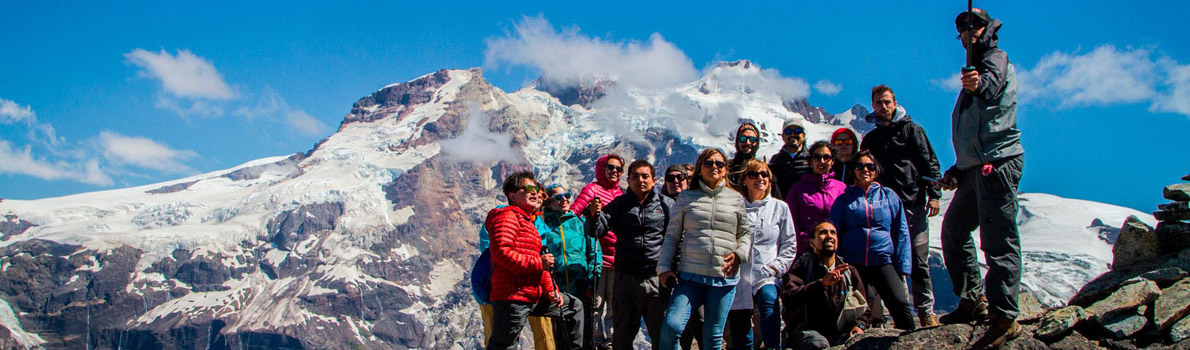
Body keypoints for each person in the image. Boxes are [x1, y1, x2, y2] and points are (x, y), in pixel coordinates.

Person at [938, 7, 1025, 349]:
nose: (968, 31)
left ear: (987, 28)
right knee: (954, 230)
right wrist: (959, 168)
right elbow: (978, 127)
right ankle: (972, 300)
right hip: (976, 167)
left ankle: (1005, 317)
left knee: (997, 239)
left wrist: (978, 84)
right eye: (962, 28)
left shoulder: (995, 58)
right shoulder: (978, 65)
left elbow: (990, 88)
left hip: (997, 164)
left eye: (974, 25)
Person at [860, 85, 944, 327]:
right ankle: (897, 314)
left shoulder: (912, 131)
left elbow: (930, 164)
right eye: (878, 103)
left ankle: (926, 311)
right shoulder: (871, 139)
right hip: (884, 210)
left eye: (887, 102)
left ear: (895, 103)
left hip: (913, 204)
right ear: (873, 106)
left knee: (918, 260)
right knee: (888, 261)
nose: (883, 107)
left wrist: (935, 195)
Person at [658, 148, 752, 350]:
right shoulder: (686, 198)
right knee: (672, 326)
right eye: (708, 163)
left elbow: (744, 233)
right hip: (690, 275)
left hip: (723, 276)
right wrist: (664, 267)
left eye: (719, 164)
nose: (714, 167)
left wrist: (740, 254)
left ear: (725, 169)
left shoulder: (735, 199)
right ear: (700, 168)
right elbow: (672, 235)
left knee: (712, 336)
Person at [487, 171, 584, 350]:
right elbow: (502, 252)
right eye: (528, 188)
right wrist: (539, 263)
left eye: (538, 191)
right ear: (513, 196)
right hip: (512, 296)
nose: (536, 193)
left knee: (573, 306)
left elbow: (541, 264)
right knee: (503, 345)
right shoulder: (507, 217)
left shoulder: (529, 223)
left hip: (531, 294)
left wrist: (550, 289)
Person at [584, 159, 675, 350]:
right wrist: (593, 216)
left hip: (656, 278)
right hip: (626, 279)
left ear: (654, 180)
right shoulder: (619, 204)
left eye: (645, 176)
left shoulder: (666, 205)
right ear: (628, 180)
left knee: (662, 335)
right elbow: (596, 230)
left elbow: (676, 239)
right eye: (635, 176)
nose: (640, 180)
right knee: (623, 336)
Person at [829, 151, 915, 330]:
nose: (865, 170)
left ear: (876, 170)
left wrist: (903, 265)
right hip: (854, 264)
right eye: (859, 166)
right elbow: (834, 232)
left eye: (870, 166)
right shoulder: (844, 199)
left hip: (883, 261)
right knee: (860, 310)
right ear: (853, 171)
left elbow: (901, 231)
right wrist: (839, 262)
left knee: (900, 304)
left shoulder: (888, 196)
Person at [728, 160, 796, 350]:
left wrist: (776, 267)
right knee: (740, 329)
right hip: (738, 274)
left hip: (767, 272)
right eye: (754, 175)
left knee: (769, 304)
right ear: (744, 180)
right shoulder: (734, 207)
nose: (760, 178)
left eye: (764, 174)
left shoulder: (779, 208)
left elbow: (789, 243)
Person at [780, 221, 871, 350]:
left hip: (841, 333)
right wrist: (821, 284)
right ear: (812, 242)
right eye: (823, 233)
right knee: (818, 344)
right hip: (808, 333)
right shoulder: (801, 268)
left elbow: (865, 309)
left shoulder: (848, 271)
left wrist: (859, 326)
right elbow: (789, 299)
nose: (829, 236)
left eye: (833, 233)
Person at [476, 207, 557, 350]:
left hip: (532, 288)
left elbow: (543, 261)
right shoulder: (504, 216)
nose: (537, 197)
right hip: (504, 288)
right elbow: (496, 253)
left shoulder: (539, 223)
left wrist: (550, 287)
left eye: (541, 195)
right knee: (500, 338)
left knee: (544, 332)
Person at [572, 153, 626, 349]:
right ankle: (595, 340)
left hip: (618, 259)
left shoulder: (622, 194)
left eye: (619, 169)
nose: (615, 171)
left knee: (614, 304)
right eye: (611, 167)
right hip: (598, 257)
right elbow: (573, 215)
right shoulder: (592, 189)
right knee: (596, 303)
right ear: (601, 168)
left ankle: (611, 341)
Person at [540, 184, 602, 349]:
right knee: (561, 335)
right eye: (558, 197)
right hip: (557, 290)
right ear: (548, 202)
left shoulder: (579, 222)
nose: (564, 200)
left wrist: (591, 281)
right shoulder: (543, 225)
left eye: (567, 195)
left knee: (584, 334)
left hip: (582, 288)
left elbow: (594, 252)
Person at [785, 142, 847, 257]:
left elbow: (847, 220)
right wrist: (806, 239)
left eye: (826, 157)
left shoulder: (841, 188)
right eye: (817, 157)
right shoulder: (798, 189)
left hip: (835, 251)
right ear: (811, 161)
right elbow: (790, 220)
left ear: (832, 161)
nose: (822, 161)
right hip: (806, 250)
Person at [768, 119, 811, 201]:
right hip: (782, 207)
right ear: (783, 136)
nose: (792, 134)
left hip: (806, 208)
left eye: (797, 131)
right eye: (788, 132)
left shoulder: (811, 158)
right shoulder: (776, 160)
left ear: (803, 136)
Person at [728, 123, 761, 190]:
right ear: (737, 141)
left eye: (752, 140)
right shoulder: (727, 168)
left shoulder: (762, 170)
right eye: (743, 139)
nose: (747, 142)